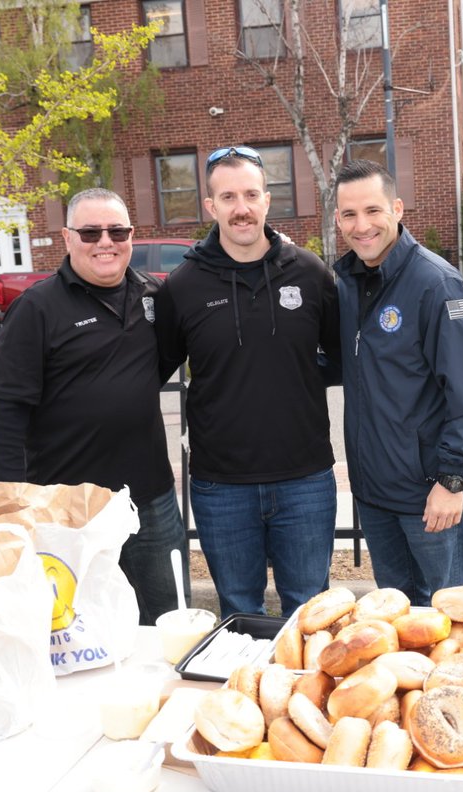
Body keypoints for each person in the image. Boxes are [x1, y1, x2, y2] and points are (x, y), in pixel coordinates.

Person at [0, 187, 189, 625]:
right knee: (83, 629)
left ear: (131, 236)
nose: (105, 241)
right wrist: (9, 500)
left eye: (117, 231)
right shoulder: (36, 309)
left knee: (170, 619)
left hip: (148, 498)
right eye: (91, 231)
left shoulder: (153, 296)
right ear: (67, 237)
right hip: (69, 508)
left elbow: (170, 353)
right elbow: (7, 411)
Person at [155, 145, 340, 618]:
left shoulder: (310, 272)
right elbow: (153, 368)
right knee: (240, 613)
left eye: (251, 194)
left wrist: (289, 380)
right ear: (210, 206)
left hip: (305, 479)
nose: (241, 208)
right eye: (229, 197)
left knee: (311, 615)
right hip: (222, 485)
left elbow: (341, 358)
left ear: (267, 199)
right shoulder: (184, 286)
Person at [332, 159, 463, 606]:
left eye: (372, 210)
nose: (361, 225)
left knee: (451, 613)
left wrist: (452, 481)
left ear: (397, 209)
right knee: (397, 617)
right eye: (349, 214)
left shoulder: (436, 284)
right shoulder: (348, 284)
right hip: (376, 491)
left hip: (431, 493)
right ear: (337, 220)